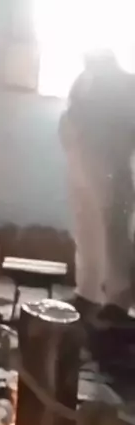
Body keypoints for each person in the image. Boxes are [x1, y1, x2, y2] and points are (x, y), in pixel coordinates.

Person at [59, 49, 135, 328]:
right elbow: (72, 114)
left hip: (111, 166)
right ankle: (87, 292)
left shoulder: (128, 84)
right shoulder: (83, 81)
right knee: (85, 229)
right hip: (81, 162)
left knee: (113, 233)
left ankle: (117, 302)